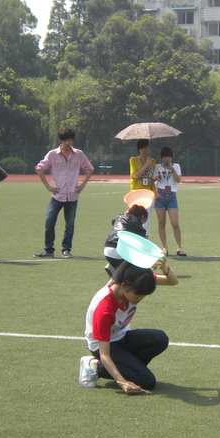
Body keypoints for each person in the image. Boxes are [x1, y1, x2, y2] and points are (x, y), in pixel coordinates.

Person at [79, 260, 178, 393]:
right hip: (105, 347)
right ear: (124, 286)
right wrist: (122, 382)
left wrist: (163, 266)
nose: (140, 299)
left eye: (144, 295)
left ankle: (129, 369)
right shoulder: (104, 309)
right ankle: (95, 366)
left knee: (159, 339)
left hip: (123, 337)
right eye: (138, 295)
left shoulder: (136, 280)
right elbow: (104, 354)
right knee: (147, 381)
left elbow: (172, 281)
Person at [34, 127, 94, 259]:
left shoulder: (78, 154)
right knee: (49, 221)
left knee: (70, 224)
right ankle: (49, 250)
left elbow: (89, 169)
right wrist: (48, 187)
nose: (68, 142)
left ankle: (66, 249)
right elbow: (39, 168)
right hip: (57, 195)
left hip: (72, 195)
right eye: (66, 140)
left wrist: (82, 185)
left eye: (70, 140)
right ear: (61, 140)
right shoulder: (52, 154)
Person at [152, 146, 186, 256]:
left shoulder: (176, 166)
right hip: (160, 196)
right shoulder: (157, 167)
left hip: (171, 196)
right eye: (165, 157)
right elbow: (152, 181)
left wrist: (172, 170)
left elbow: (178, 180)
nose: (167, 159)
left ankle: (179, 247)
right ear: (161, 157)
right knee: (161, 223)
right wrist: (155, 188)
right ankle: (165, 248)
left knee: (175, 223)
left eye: (169, 156)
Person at [103, 204, 148, 276]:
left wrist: (123, 213)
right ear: (142, 217)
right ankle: (119, 271)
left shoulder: (120, 217)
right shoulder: (140, 229)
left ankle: (113, 266)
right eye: (144, 220)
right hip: (118, 254)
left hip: (107, 250)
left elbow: (113, 221)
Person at [129, 139, 155, 237]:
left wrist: (155, 187)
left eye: (146, 148)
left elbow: (151, 178)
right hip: (135, 194)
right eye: (142, 148)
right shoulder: (133, 160)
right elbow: (135, 175)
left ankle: (144, 242)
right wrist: (146, 165)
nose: (144, 150)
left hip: (147, 194)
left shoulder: (152, 161)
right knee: (134, 220)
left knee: (146, 223)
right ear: (138, 149)